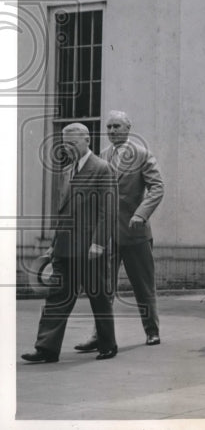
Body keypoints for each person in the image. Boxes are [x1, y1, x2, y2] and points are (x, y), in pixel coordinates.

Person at [22, 123, 118, 363]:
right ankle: (46, 349)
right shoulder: (66, 172)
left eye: (73, 144)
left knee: (99, 296)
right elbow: (63, 212)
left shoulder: (102, 168)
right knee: (56, 298)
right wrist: (54, 243)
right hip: (64, 248)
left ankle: (108, 344)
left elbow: (108, 211)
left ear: (87, 140)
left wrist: (98, 244)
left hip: (90, 249)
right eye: (65, 144)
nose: (69, 149)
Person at [76, 110, 164, 352]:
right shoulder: (100, 157)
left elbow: (157, 188)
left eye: (117, 126)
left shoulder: (142, 155)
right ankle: (100, 336)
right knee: (103, 289)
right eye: (109, 127)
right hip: (105, 236)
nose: (112, 131)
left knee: (143, 287)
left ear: (128, 128)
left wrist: (140, 213)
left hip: (135, 233)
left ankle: (152, 331)